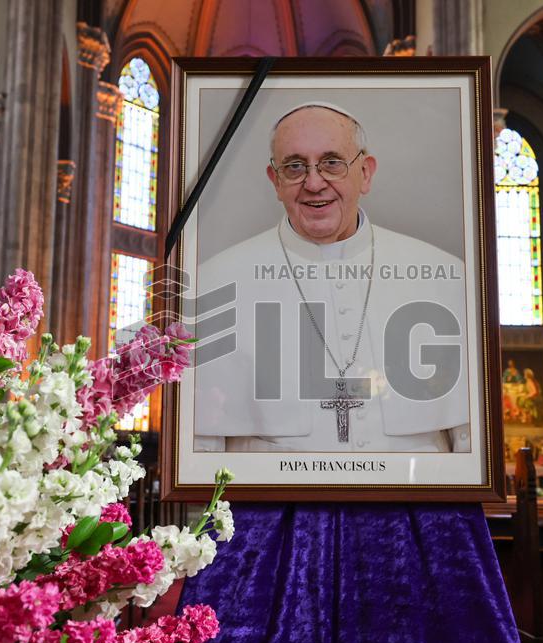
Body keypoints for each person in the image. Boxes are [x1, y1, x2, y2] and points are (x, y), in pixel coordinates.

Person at [193, 102, 471, 453]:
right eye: (294, 167)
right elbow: (201, 446)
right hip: (271, 491)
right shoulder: (216, 282)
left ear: (365, 173)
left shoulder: (445, 276)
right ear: (275, 181)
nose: (313, 183)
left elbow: (470, 440)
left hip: (416, 490)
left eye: (332, 163)